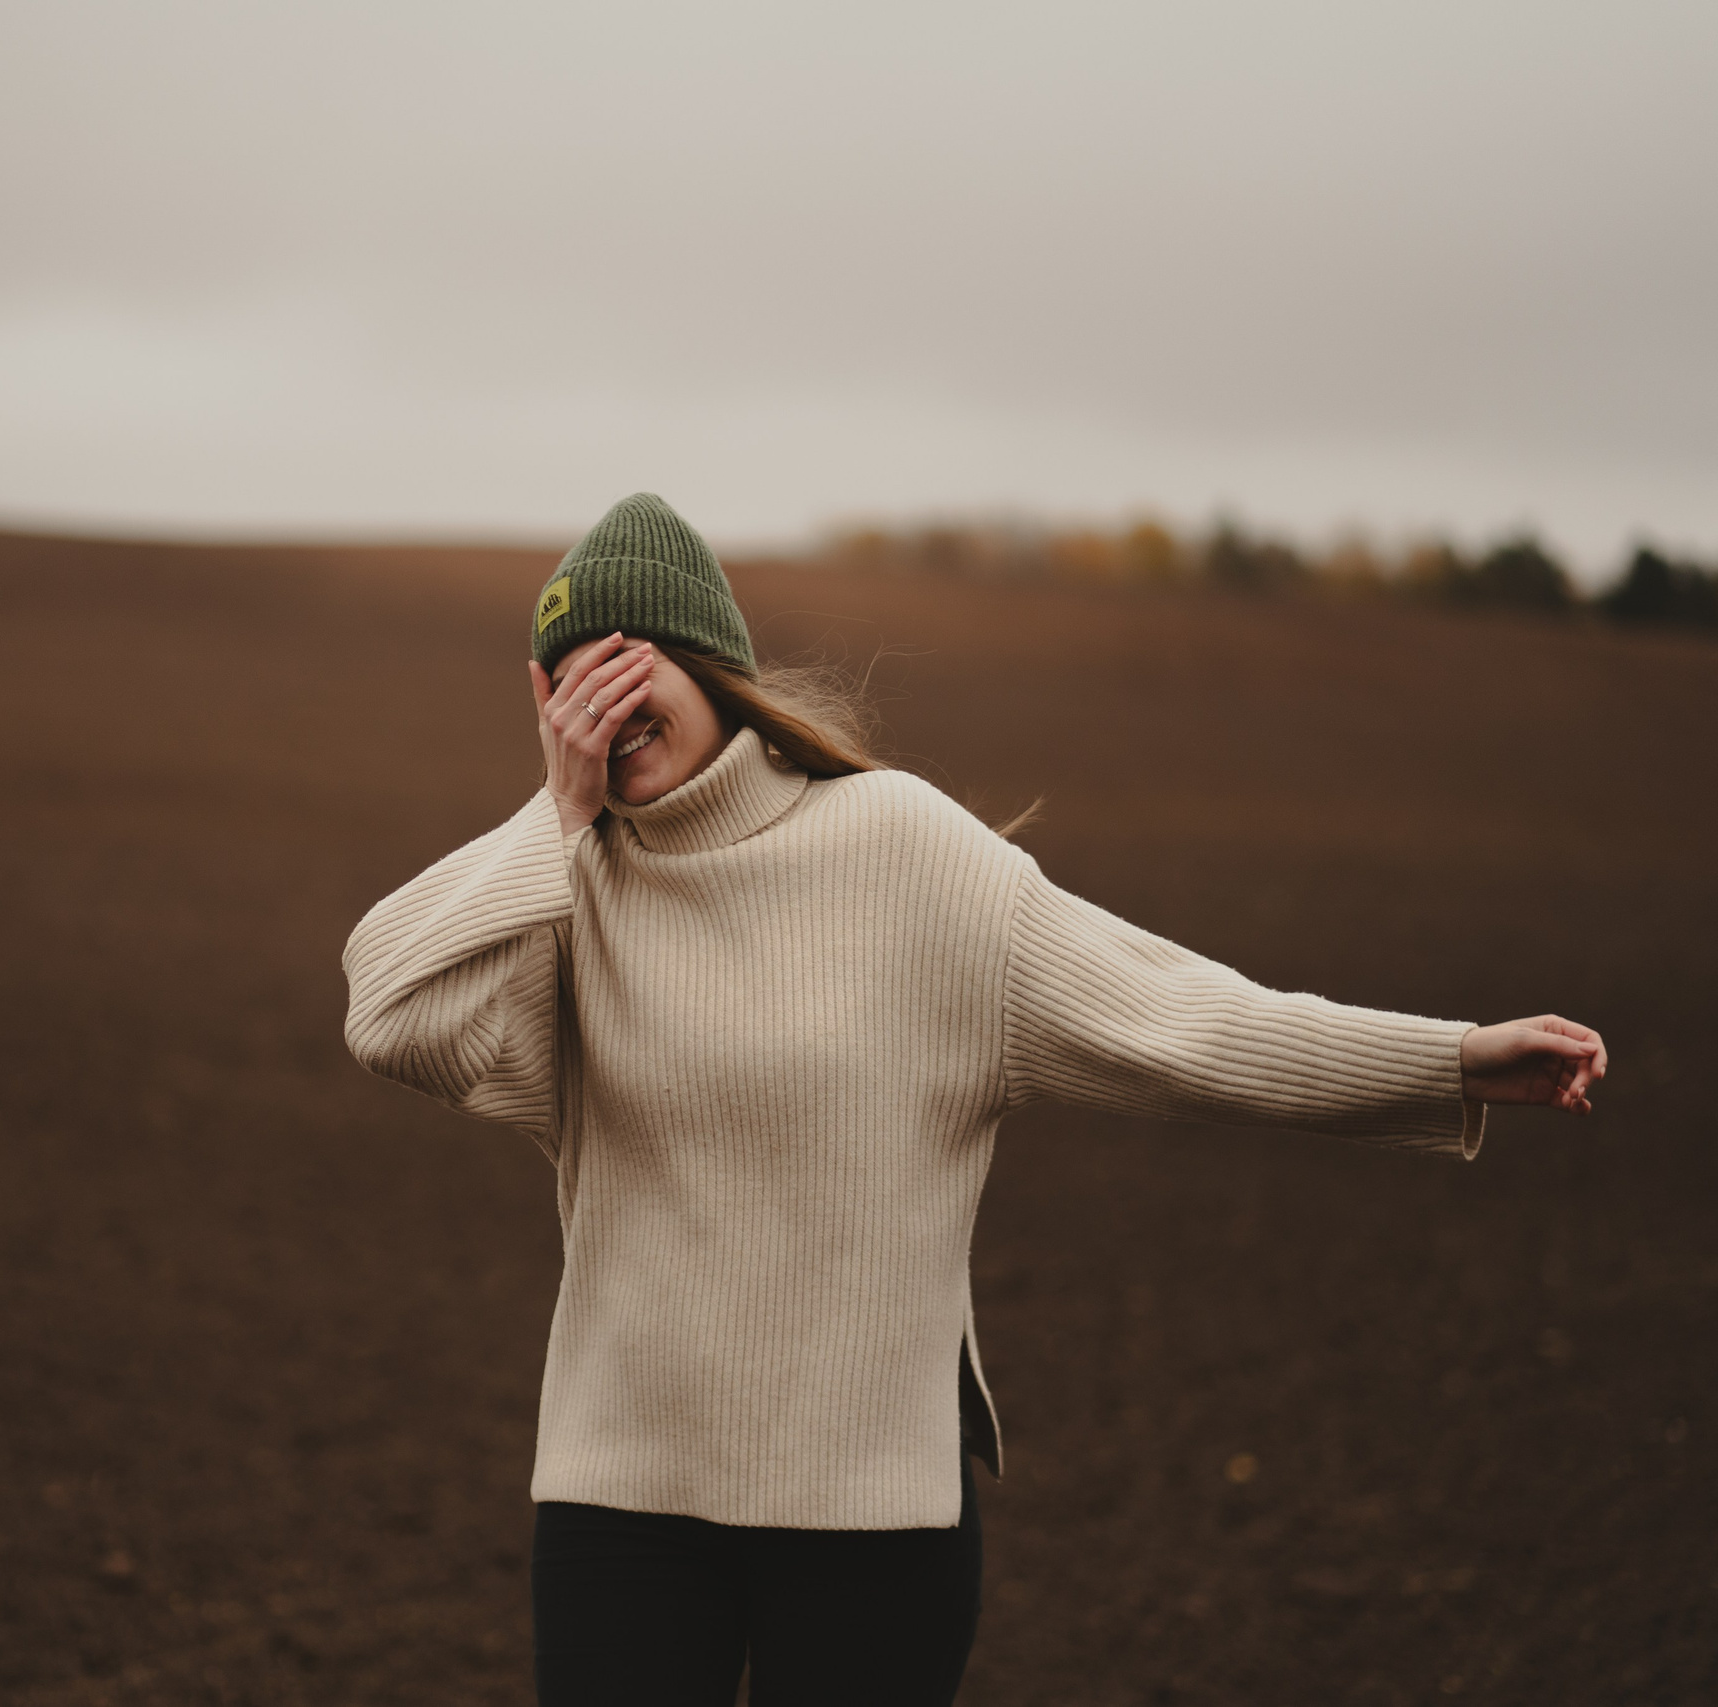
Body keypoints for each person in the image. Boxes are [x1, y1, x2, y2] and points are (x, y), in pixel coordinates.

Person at [339, 493, 1607, 1707]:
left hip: (869, 1523)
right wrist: (553, 815)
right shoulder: (567, 894)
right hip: (618, 1511)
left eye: (628, 661)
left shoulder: (903, 852)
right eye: (571, 680)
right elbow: (392, 1016)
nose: (604, 705)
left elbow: (1184, 1018)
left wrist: (1441, 1060)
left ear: (708, 660)